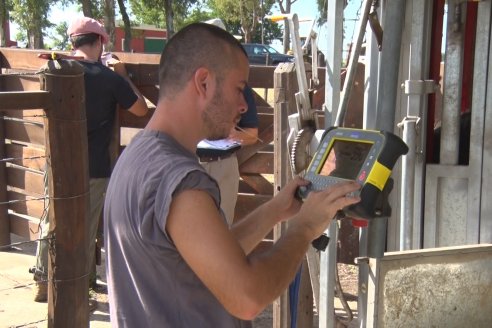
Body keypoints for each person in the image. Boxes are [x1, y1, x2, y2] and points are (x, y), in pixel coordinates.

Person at [104, 22, 360, 327]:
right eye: (239, 88)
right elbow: (247, 298)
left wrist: (274, 211)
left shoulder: (140, 156)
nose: (243, 105)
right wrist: (303, 230)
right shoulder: (180, 180)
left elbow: (211, 257)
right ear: (203, 83)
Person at [31, 16, 148, 303]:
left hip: (56, 163)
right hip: (93, 167)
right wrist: (121, 74)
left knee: (51, 218)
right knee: (84, 226)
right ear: (99, 43)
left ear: (73, 42)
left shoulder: (55, 71)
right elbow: (141, 110)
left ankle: (43, 281)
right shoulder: (108, 78)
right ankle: (77, 289)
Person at [199, 84, 259, 225]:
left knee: (222, 227)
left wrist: (234, 134)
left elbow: (252, 135)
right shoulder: (184, 82)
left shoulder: (240, 86)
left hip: (223, 165)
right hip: (186, 162)